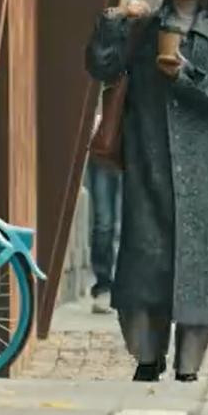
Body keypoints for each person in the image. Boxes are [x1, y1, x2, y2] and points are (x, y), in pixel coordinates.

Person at [85, 0, 208, 383]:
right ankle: (146, 355)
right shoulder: (145, 27)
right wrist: (114, 21)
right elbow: (101, 67)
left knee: (200, 267)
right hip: (149, 160)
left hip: (206, 167)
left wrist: (187, 77)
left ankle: (188, 365)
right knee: (144, 263)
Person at [85, 100, 121, 314]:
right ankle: (104, 285)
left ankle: (128, 287)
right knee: (104, 222)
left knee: (132, 221)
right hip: (103, 144)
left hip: (137, 145)